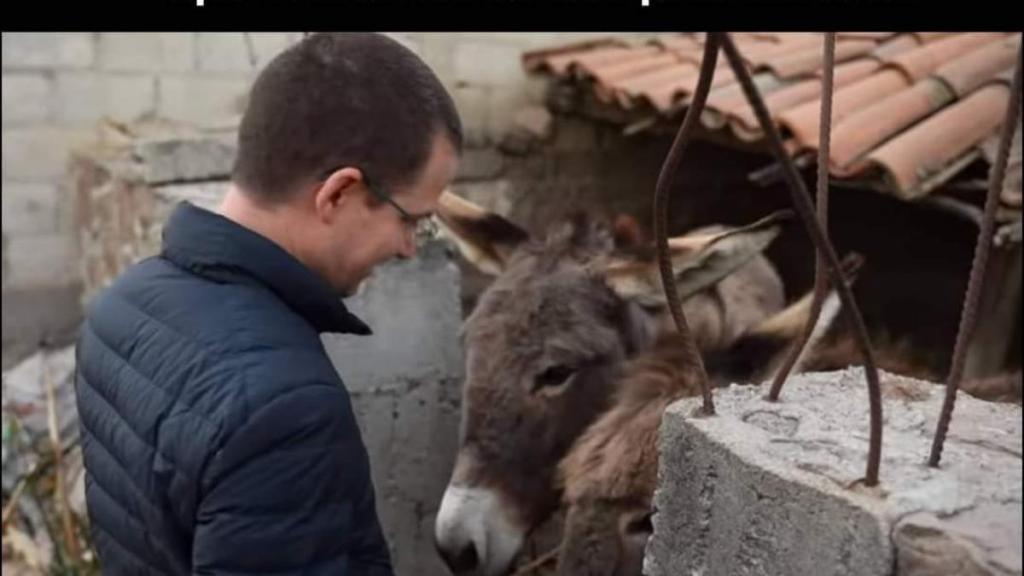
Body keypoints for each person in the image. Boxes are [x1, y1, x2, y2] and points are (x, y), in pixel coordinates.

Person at [73, 32, 461, 575]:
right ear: (338, 194)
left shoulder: (120, 307)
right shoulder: (286, 408)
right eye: (411, 219)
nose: (408, 247)